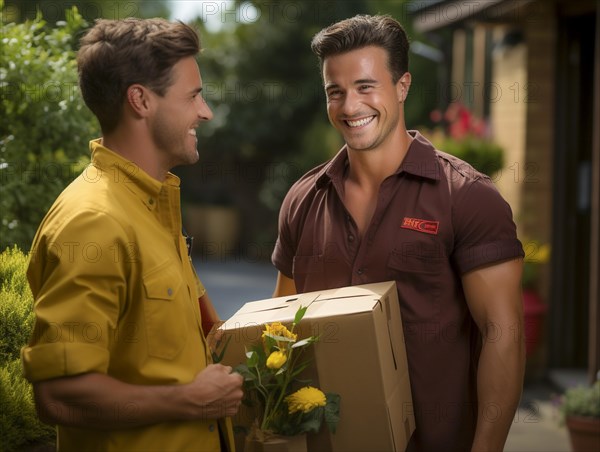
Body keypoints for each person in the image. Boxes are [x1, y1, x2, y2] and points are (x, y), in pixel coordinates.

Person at [271, 14, 525, 452]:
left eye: (366, 87)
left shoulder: (465, 197)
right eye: (336, 92)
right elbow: (282, 330)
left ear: (402, 86)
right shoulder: (302, 200)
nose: (350, 107)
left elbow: (504, 337)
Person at [21, 18, 243, 451]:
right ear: (140, 100)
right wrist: (190, 401)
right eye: (194, 95)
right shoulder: (93, 220)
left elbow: (197, 338)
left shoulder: (151, 204)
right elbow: (59, 397)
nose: (205, 111)